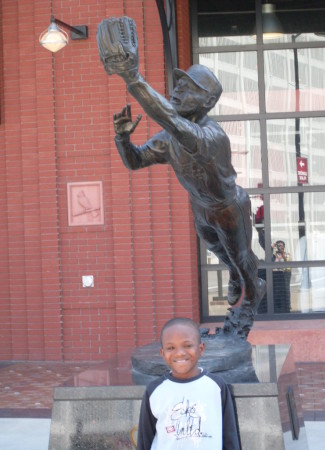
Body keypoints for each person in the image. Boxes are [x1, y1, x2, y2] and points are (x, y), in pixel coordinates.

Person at [96, 18, 265, 334]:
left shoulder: (210, 136)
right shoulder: (169, 138)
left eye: (188, 89)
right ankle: (234, 272)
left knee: (243, 262)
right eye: (178, 85)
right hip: (201, 208)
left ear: (207, 102)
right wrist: (122, 139)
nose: (177, 91)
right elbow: (135, 161)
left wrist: (132, 77)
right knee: (220, 253)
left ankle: (251, 298)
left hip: (229, 207)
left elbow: (172, 120)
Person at [137, 317, 241, 449]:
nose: (179, 353)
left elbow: (229, 436)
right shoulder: (154, 390)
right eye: (171, 348)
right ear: (162, 354)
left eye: (187, 345)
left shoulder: (216, 386)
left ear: (201, 349)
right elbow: (144, 440)